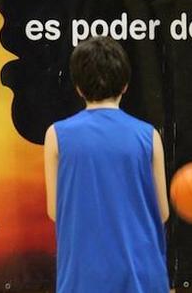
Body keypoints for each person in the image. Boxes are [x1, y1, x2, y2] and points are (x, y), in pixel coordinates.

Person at [43, 36, 170, 292]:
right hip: (143, 277)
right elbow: (163, 213)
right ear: (125, 85)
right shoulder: (149, 135)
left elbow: (55, 211)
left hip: (82, 278)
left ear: (78, 87)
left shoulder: (56, 135)